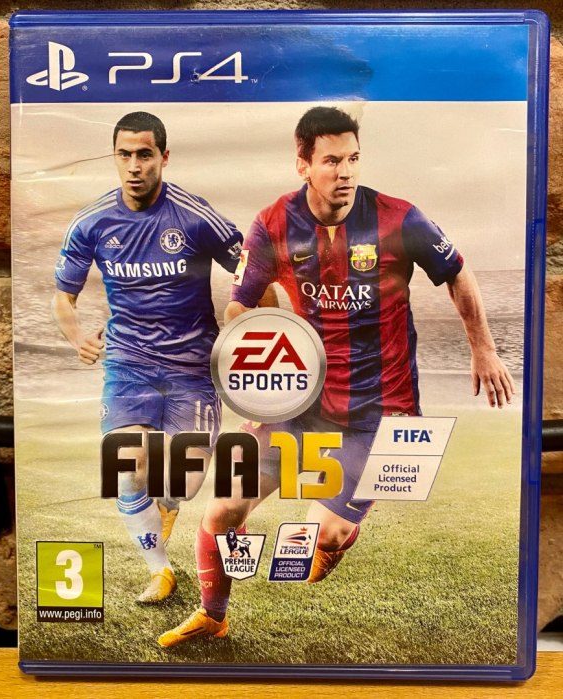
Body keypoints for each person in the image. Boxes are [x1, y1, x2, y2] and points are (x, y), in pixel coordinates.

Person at [157, 106, 515, 645]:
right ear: (303, 164)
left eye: (353, 159)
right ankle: (213, 615)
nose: (345, 172)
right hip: (300, 404)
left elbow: (457, 273)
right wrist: (261, 365)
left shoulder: (399, 218)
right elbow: (240, 306)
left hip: (382, 412)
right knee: (225, 507)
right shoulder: (272, 224)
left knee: (323, 536)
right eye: (331, 161)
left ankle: (335, 537)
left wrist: (483, 350)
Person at [52, 111, 246, 603]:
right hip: (128, 362)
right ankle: (160, 571)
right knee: (129, 462)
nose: (134, 165)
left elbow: (251, 269)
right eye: (124, 155)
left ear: (164, 156)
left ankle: (167, 504)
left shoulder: (194, 216)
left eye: (144, 154)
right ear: (114, 157)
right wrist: (77, 338)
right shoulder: (92, 221)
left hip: (193, 366)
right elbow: (63, 298)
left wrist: (257, 326)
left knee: (184, 478)